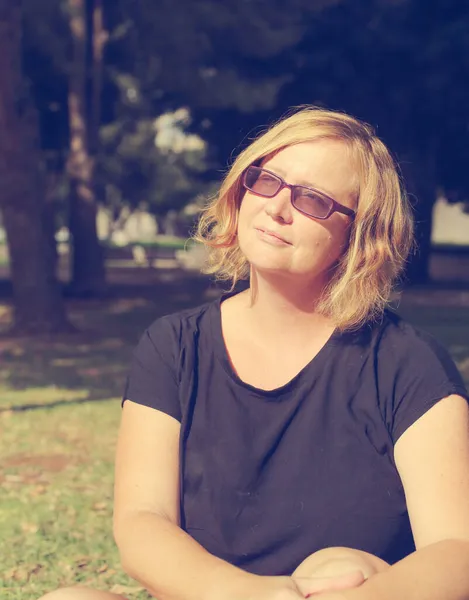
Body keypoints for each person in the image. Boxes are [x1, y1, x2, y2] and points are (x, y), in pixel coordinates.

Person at [40, 106, 469, 600]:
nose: (277, 208)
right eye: (265, 181)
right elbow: (143, 521)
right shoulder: (174, 347)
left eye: (312, 200)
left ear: (360, 236)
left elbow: (455, 548)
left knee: (337, 566)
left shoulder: (408, 365)